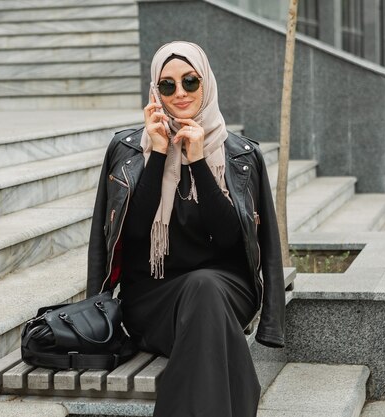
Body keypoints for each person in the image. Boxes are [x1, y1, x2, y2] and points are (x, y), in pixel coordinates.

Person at [87, 41, 285, 417]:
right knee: (203, 298)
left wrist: (197, 161)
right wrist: (160, 152)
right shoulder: (128, 150)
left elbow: (238, 241)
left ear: (206, 83)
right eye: (167, 86)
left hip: (227, 290)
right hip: (151, 300)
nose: (180, 94)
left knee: (205, 286)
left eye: (190, 82)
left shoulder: (241, 156)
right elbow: (124, 236)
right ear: (154, 91)